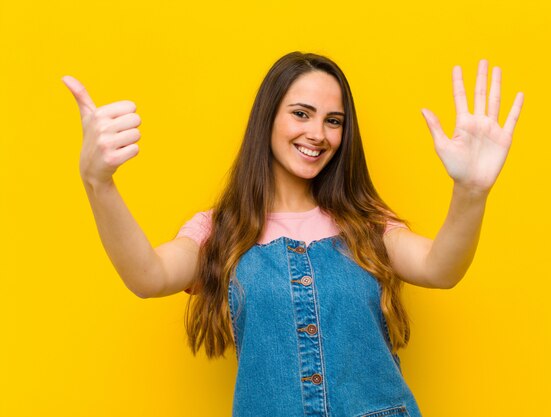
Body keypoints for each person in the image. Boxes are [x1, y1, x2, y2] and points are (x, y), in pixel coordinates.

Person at [63, 51, 524, 417]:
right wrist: (98, 183)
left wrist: (471, 191)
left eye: (333, 120)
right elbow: (147, 276)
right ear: (269, 119)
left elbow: (440, 268)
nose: (318, 133)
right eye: (301, 113)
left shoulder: (366, 224)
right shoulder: (219, 231)